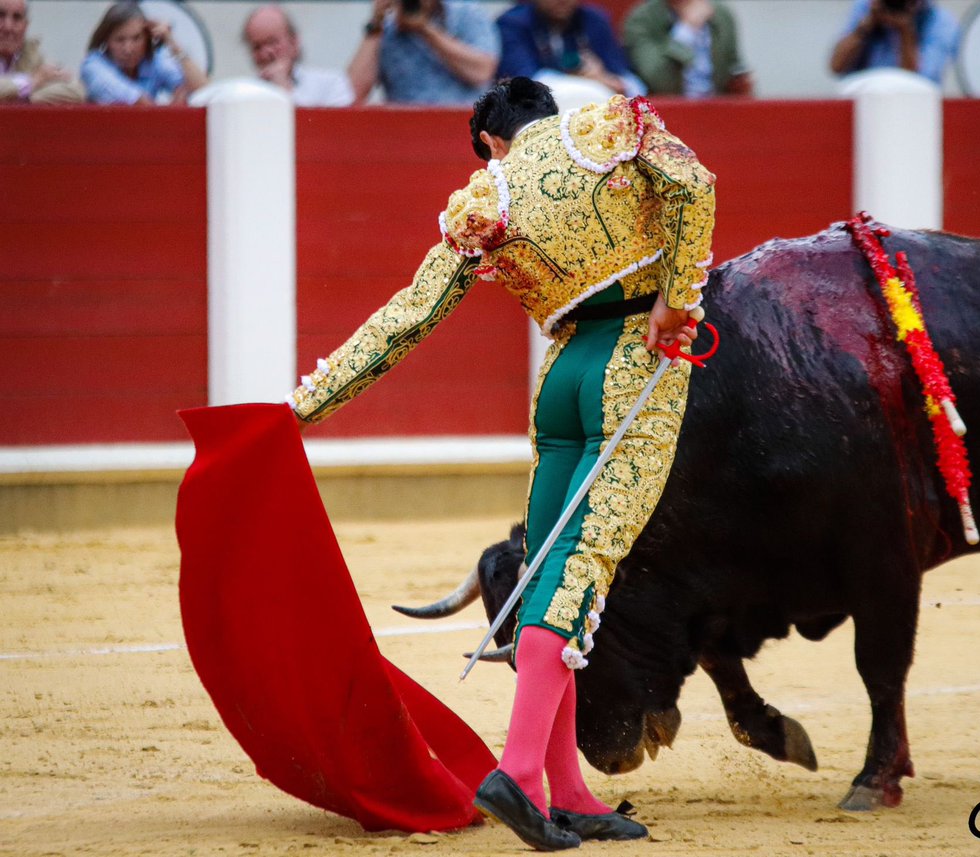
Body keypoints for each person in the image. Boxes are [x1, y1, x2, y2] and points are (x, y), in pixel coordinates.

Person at [288, 76, 714, 850]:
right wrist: (676, 300)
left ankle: (570, 790)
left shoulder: (483, 200)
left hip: (562, 382)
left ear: (491, 140)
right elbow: (694, 183)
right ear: (548, 111)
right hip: (630, 367)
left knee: (543, 569)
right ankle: (519, 773)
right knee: (581, 567)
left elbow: (408, 316)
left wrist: (303, 406)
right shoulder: (610, 127)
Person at [348, 0, 498, 105]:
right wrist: (375, 25)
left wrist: (425, 29)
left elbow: (481, 72)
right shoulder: (385, 29)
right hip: (406, 133)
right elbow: (351, 94)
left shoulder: (465, 14)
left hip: (462, 128)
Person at [496, 0, 645, 98]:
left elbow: (633, 85)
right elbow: (523, 84)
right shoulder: (512, 24)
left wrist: (606, 78)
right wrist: (589, 81)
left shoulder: (594, 19)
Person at [80, 1, 207, 104]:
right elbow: (139, 101)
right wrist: (170, 112)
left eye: (136, 38)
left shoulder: (155, 60)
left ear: (147, 38)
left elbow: (203, 90)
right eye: (119, 40)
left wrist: (170, 40)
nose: (128, 49)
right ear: (106, 40)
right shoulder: (93, 65)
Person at [622, 0, 752, 97]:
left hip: (717, 108)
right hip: (668, 112)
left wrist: (740, 82)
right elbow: (660, 82)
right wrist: (687, 30)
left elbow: (735, 68)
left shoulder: (720, 14)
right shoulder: (642, 19)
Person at [242, 4, 353, 106]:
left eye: (272, 42)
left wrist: (283, 89)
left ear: (294, 42)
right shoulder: (245, 94)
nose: (265, 53)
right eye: (257, 46)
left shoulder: (331, 83)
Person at [829, 0, 959, 85]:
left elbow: (918, 84)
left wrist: (905, 31)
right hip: (863, 100)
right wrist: (865, 27)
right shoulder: (867, 7)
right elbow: (837, 66)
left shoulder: (939, 21)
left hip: (913, 111)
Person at [0, 0, 84, 103]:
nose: (8, 27)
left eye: (17, 18)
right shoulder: (38, 75)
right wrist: (32, 82)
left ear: (25, 26)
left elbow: (76, 90)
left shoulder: (31, 54)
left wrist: (23, 96)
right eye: (1, 15)